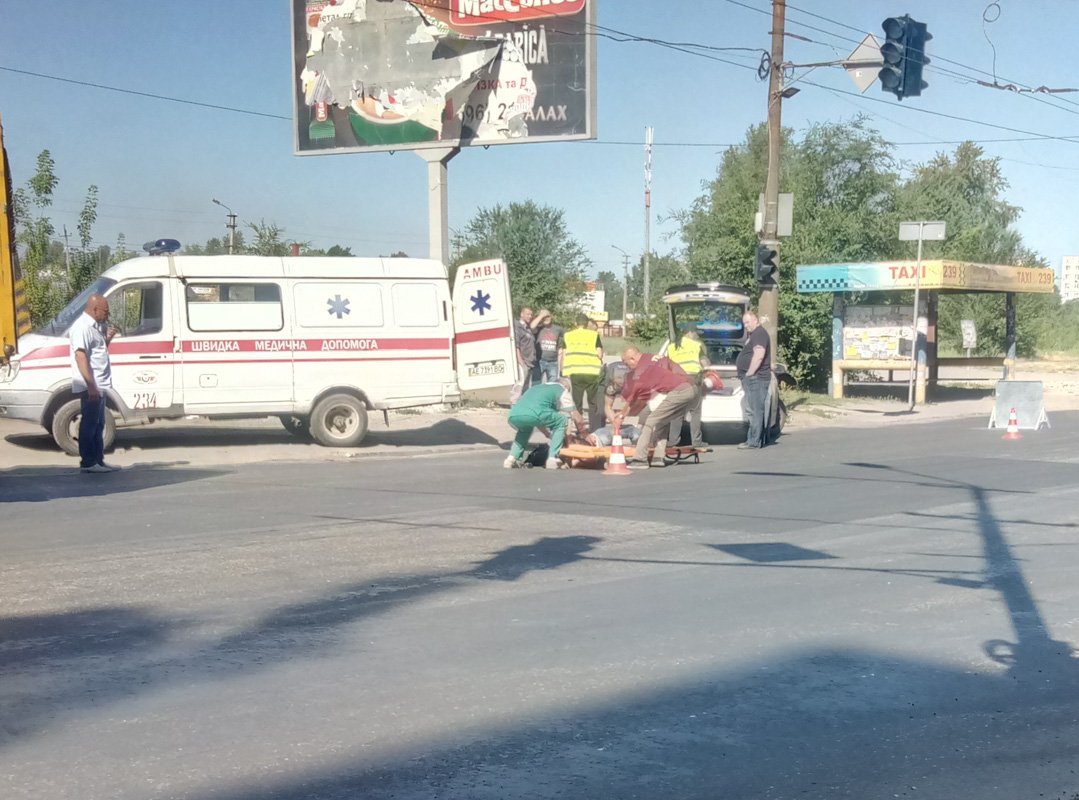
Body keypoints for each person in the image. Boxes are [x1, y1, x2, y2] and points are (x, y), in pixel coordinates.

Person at [618, 346, 696, 469]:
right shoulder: (654, 358)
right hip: (686, 387)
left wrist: (622, 414)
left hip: (678, 391)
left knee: (650, 421)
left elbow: (636, 397)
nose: (626, 366)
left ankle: (640, 459)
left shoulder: (641, 369)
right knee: (661, 421)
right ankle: (658, 458)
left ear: (632, 359)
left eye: (625, 362)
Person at [70, 293, 119, 473]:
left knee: (98, 424)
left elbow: (97, 352)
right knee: (90, 424)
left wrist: (108, 339)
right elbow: (80, 356)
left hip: (100, 384)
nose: (108, 315)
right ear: (95, 309)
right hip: (92, 385)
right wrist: (91, 386)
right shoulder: (82, 327)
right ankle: (89, 462)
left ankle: (98, 461)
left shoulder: (95, 326)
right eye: (105, 311)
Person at [503, 378, 588, 470]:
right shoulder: (561, 389)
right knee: (561, 420)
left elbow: (537, 419)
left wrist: (547, 434)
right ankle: (552, 458)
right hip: (535, 414)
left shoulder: (537, 388)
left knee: (525, 430)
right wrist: (585, 434)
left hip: (514, 414)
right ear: (566, 387)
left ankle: (511, 458)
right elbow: (576, 417)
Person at [664, 327, 712, 451]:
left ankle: (673, 441)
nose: (697, 336)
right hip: (692, 380)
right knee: (695, 412)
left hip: (676, 381)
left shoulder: (671, 347)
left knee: (677, 412)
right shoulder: (696, 345)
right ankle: (696, 442)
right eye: (696, 333)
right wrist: (709, 372)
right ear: (689, 332)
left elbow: (666, 365)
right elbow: (704, 363)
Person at [736, 309, 772, 449]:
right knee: (752, 409)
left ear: (755, 320)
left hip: (756, 378)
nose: (745, 325)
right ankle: (754, 439)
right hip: (754, 378)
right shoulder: (755, 335)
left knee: (755, 410)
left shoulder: (759, 334)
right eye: (744, 323)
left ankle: (754, 441)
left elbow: (759, 354)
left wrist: (750, 373)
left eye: (747, 322)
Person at [561, 314, 604, 430]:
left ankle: (579, 428)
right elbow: (599, 354)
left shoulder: (568, 335)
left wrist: (563, 371)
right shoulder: (594, 335)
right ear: (587, 324)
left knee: (577, 402)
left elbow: (564, 354)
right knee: (593, 402)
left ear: (576, 323)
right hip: (591, 373)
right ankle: (595, 428)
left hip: (576, 373)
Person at [511, 305, 538, 404]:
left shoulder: (528, 328)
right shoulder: (518, 327)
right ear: (521, 314)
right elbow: (516, 345)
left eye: (531, 314)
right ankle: (514, 405)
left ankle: (523, 406)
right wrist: (520, 361)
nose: (530, 316)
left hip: (530, 362)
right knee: (520, 385)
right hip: (523, 362)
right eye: (528, 314)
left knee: (526, 387)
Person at [532, 310, 564, 384]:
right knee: (536, 384)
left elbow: (567, 337)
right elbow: (532, 326)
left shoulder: (558, 329)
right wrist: (541, 316)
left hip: (553, 362)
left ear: (551, 317)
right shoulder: (538, 328)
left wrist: (562, 348)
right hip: (539, 361)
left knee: (552, 385)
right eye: (544, 317)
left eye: (548, 316)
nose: (546, 318)